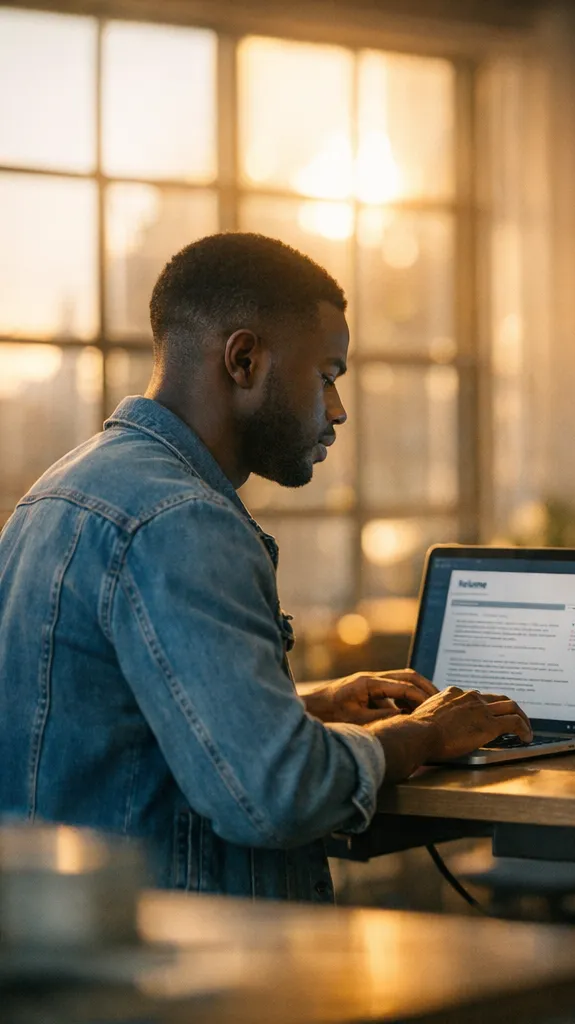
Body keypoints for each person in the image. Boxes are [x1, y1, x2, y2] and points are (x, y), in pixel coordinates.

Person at [0, 232, 531, 900]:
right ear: (244, 358)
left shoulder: (61, 490)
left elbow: (113, 729)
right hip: (187, 972)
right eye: (327, 376)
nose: (337, 412)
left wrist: (309, 706)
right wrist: (421, 735)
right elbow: (273, 793)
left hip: (64, 944)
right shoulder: (182, 521)